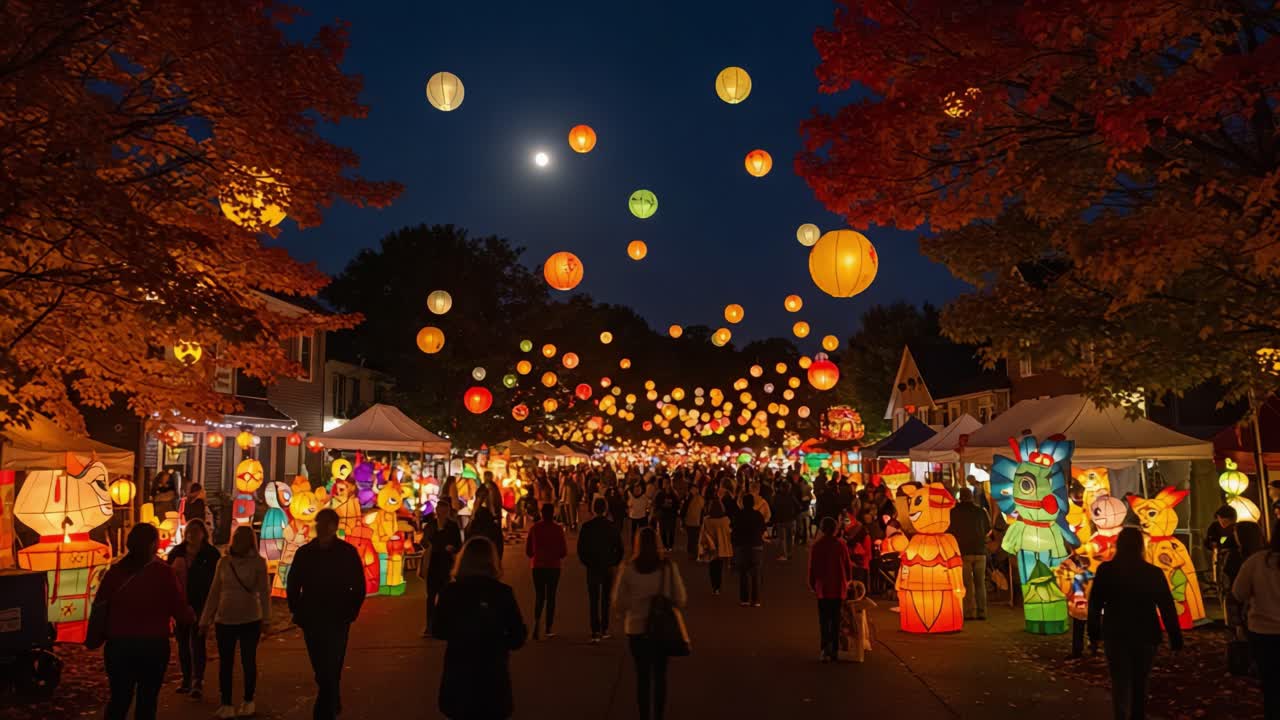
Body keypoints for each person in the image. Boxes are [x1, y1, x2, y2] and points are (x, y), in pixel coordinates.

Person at [97, 522, 195, 720]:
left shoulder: (114, 573)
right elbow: (178, 607)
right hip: (152, 645)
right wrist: (191, 616)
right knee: (147, 700)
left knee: (119, 698)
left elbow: (100, 606)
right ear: (153, 545)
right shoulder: (163, 573)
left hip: (119, 646)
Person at [1088, 527, 1183, 720]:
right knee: (1140, 680)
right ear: (1141, 546)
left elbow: (1095, 604)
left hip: (1116, 631)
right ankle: (1138, 715)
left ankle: (1121, 715)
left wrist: (1094, 633)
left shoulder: (1106, 570)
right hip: (1145, 631)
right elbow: (1166, 606)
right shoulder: (1152, 572)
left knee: (1119, 681)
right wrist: (1175, 637)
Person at [433, 537, 527, 720]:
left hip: (459, 672)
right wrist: (499, 642)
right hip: (492, 673)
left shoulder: (449, 592)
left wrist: (460, 634)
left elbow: (438, 629)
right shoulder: (502, 592)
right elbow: (518, 636)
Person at [287, 508, 366, 720]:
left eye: (325, 523)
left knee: (333, 661)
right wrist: (296, 609)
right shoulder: (305, 553)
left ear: (334, 526)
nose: (321, 526)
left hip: (338, 616)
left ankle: (324, 709)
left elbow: (358, 585)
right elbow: (293, 583)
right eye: (319, 522)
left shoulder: (347, 552)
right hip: (312, 616)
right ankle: (332, 695)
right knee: (320, 663)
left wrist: (351, 611)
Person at [613, 527, 687, 720]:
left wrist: (632, 607)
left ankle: (644, 715)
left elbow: (619, 603)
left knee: (643, 676)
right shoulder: (668, 568)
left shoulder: (629, 569)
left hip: (637, 630)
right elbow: (680, 598)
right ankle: (659, 715)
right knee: (660, 676)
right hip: (662, 629)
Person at [200, 525, 271, 719]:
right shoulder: (224, 563)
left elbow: (264, 593)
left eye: (243, 538)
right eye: (237, 537)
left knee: (248, 661)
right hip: (225, 619)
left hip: (250, 618)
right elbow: (215, 591)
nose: (239, 541)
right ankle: (227, 702)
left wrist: (266, 618)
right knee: (226, 662)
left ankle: (248, 700)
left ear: (250, 541)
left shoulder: (258, 563)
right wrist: (205, 619)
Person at [166, 518, 219, 698]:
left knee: (197, 642)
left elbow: (216, 581)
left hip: (201, 603)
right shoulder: (176, 552)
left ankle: (198, 680)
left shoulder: (211, 555)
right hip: (180, 604)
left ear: (203, 534)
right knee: (182, 643)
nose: (192, 535)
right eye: (189, 531)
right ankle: (186, 678)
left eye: (196, 531)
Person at [1234, 523, 1280, 717]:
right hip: (1263, 631)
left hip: (1263, 631)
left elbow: (1238, 593)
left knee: (1270, 684)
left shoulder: (1257, 561)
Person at [578, 498, 624, 642]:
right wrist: (614, 562)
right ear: (605, 509)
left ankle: (594, 629)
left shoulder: (587, 527)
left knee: (593, 599)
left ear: (593, 509)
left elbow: (581, 549)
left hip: (592, 567)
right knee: (605, 599)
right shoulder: (612, 527)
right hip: (607, 566)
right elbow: (620, 548)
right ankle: (604, 628)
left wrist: (586, 562)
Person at [809, 516, 852, 663]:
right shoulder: (841, 545)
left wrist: (812, 583)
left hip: (823, 587)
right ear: (835, 529)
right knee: (835, 620)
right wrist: (848, 581)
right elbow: (847, 565)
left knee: (824, 620)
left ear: (821, 529)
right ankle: (834, 650)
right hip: (838, 587)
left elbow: (813, 567)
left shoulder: (817, 546)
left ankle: (824, 648)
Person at [421, 501, 464, 636]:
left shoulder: (452, 526)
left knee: (445, 596)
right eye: (441, 510)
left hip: (446, 564)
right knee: (431, 596)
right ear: (437, 510)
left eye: (445, 510)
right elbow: (424, 541)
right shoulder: (431, 526)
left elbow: (458, 544)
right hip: (432, 563)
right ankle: (430, 626)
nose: (443, 513)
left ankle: (444, 625)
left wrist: (453, 548)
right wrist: (427, 544)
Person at [525, 503, 567, 639]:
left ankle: (537, 622)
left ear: (541, 513)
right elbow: (563, 551)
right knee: (551, 597)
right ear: (552, 514)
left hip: (537, 566)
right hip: (553, 566)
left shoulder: (534, 529)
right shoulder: (558, 529)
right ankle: (548, 627)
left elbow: (528, 551)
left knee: (539, 595)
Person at [949, 487, 991, 621]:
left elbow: (950, 530)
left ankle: (969, 612)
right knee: (980, 583)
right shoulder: (980, 512)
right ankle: (982, 611)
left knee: (967, 583)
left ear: (960, 497)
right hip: (980, 551)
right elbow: (987, 529)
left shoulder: (953, 512)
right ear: (972, 497)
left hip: (963, 551)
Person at [732, 494, 767, 607]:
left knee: (743, 573)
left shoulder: (738, 515)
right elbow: (763, 529)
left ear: (743, 503)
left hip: (742, 546)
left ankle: (744, 599)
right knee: (756, 573)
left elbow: (733, 528)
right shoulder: (758, 515)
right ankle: (756, 600)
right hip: (756, 545)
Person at [699, 499, 733, 595]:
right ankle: (718, 585)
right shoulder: (725, 520)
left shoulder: (707, 520)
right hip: (721, 546)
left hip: (711, 546)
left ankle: (714, 586)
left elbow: (703, 534)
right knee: (720, 566)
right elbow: (728, 533)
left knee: (712, 566)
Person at [468, 486, 505, 559]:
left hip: (476, 560)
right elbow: (499, 547)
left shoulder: (473, 522)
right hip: (490, 560)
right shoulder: (492, 523)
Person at [770, 484, 800, 561]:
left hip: (780, 520)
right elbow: (798, 506)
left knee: (782, 538)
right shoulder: (791, 497)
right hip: (790, 519)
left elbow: (773, 507)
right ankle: (789, 553)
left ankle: (784, 554)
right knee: (789, 537)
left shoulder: (777, 497)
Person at [651, 479, 680, 551]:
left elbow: (677, 504)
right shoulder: (660, 493)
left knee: (671, 531)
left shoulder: (674, 494)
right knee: (662, 530)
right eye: (665, 483)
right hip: (663, 515)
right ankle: (664, 545)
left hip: (671, 515)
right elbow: (656, 503)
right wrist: (661, 506)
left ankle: (670, 545)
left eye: (667, 483)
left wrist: (672, 506)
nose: (666, 485)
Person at [680, 487, 704, 555]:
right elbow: (703, 510)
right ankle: (694, 552)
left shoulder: (688, 499)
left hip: (690, 521)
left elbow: (684, 509)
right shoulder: (701, 499)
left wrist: (682, 519)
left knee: (691, 537)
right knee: (695, 537)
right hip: (697, 522)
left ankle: (691, 551)